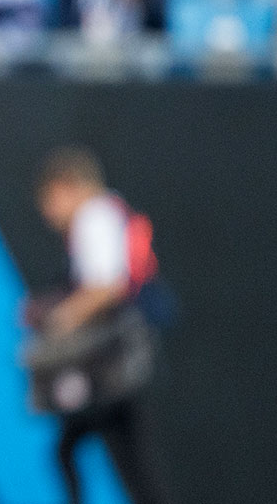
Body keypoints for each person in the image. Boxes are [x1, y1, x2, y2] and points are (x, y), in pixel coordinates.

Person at [32, 146, 171, 504]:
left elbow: (107, 286)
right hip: (115, 354)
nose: (46, 211)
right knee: (128, 455)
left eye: (49, 199)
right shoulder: (106, 213)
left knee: (71, 448)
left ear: (65, 187)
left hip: (110, 354)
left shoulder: (94, 216)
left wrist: (61, 319)